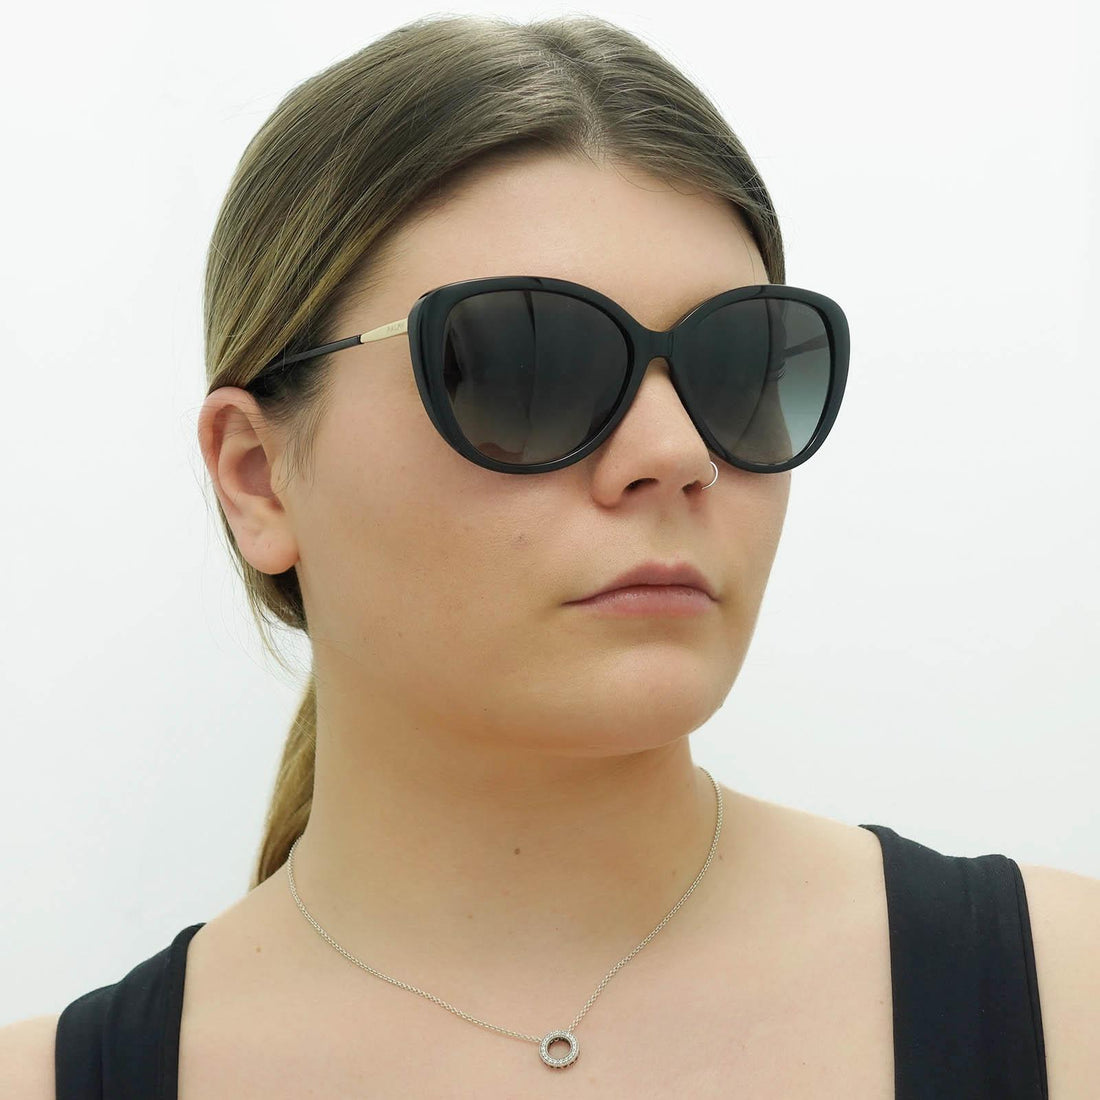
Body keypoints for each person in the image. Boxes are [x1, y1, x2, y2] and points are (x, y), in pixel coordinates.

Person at [3, 12, 1095, 1099]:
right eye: (526, 367)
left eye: (738, 363)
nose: (676, 454)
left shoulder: (1069, 996)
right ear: (257, 475)